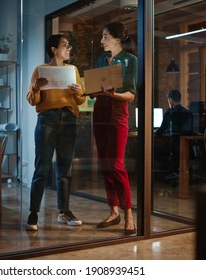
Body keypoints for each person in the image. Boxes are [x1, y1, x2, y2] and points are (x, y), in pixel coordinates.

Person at [25, 34, 86, 231]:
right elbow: (32, 100)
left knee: (64, 168)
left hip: (69, 119)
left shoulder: (73, 70)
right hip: (47, 119)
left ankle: (64, 211)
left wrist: (78, 91)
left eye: (69, 46)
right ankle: (33, 214)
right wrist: (35, 87)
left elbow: (81, 100)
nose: (69, 49)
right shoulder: (40, 70)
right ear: (53, 49)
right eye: (65, 46)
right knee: (42, 168)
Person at [92, 22, 137, 235]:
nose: (102, 41)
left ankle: (129, 214)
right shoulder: (101, 59)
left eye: (105, 37)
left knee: (117, 164)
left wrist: (113, 95)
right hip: (100, 112)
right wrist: (89, 91)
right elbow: (95, 89)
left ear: (117, 39)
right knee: (105, 164)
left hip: (118, 114)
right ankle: (114, 211)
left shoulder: (130, 60)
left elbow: (130, 95)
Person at [154, 90, 192, 175]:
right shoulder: (188, 112)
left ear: (170, 100)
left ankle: (171, 168)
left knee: (153, 150)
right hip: (186, 146)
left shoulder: (169, 112)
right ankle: (174, 169)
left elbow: (162, 129)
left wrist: (156, 132)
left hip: (173, 146)